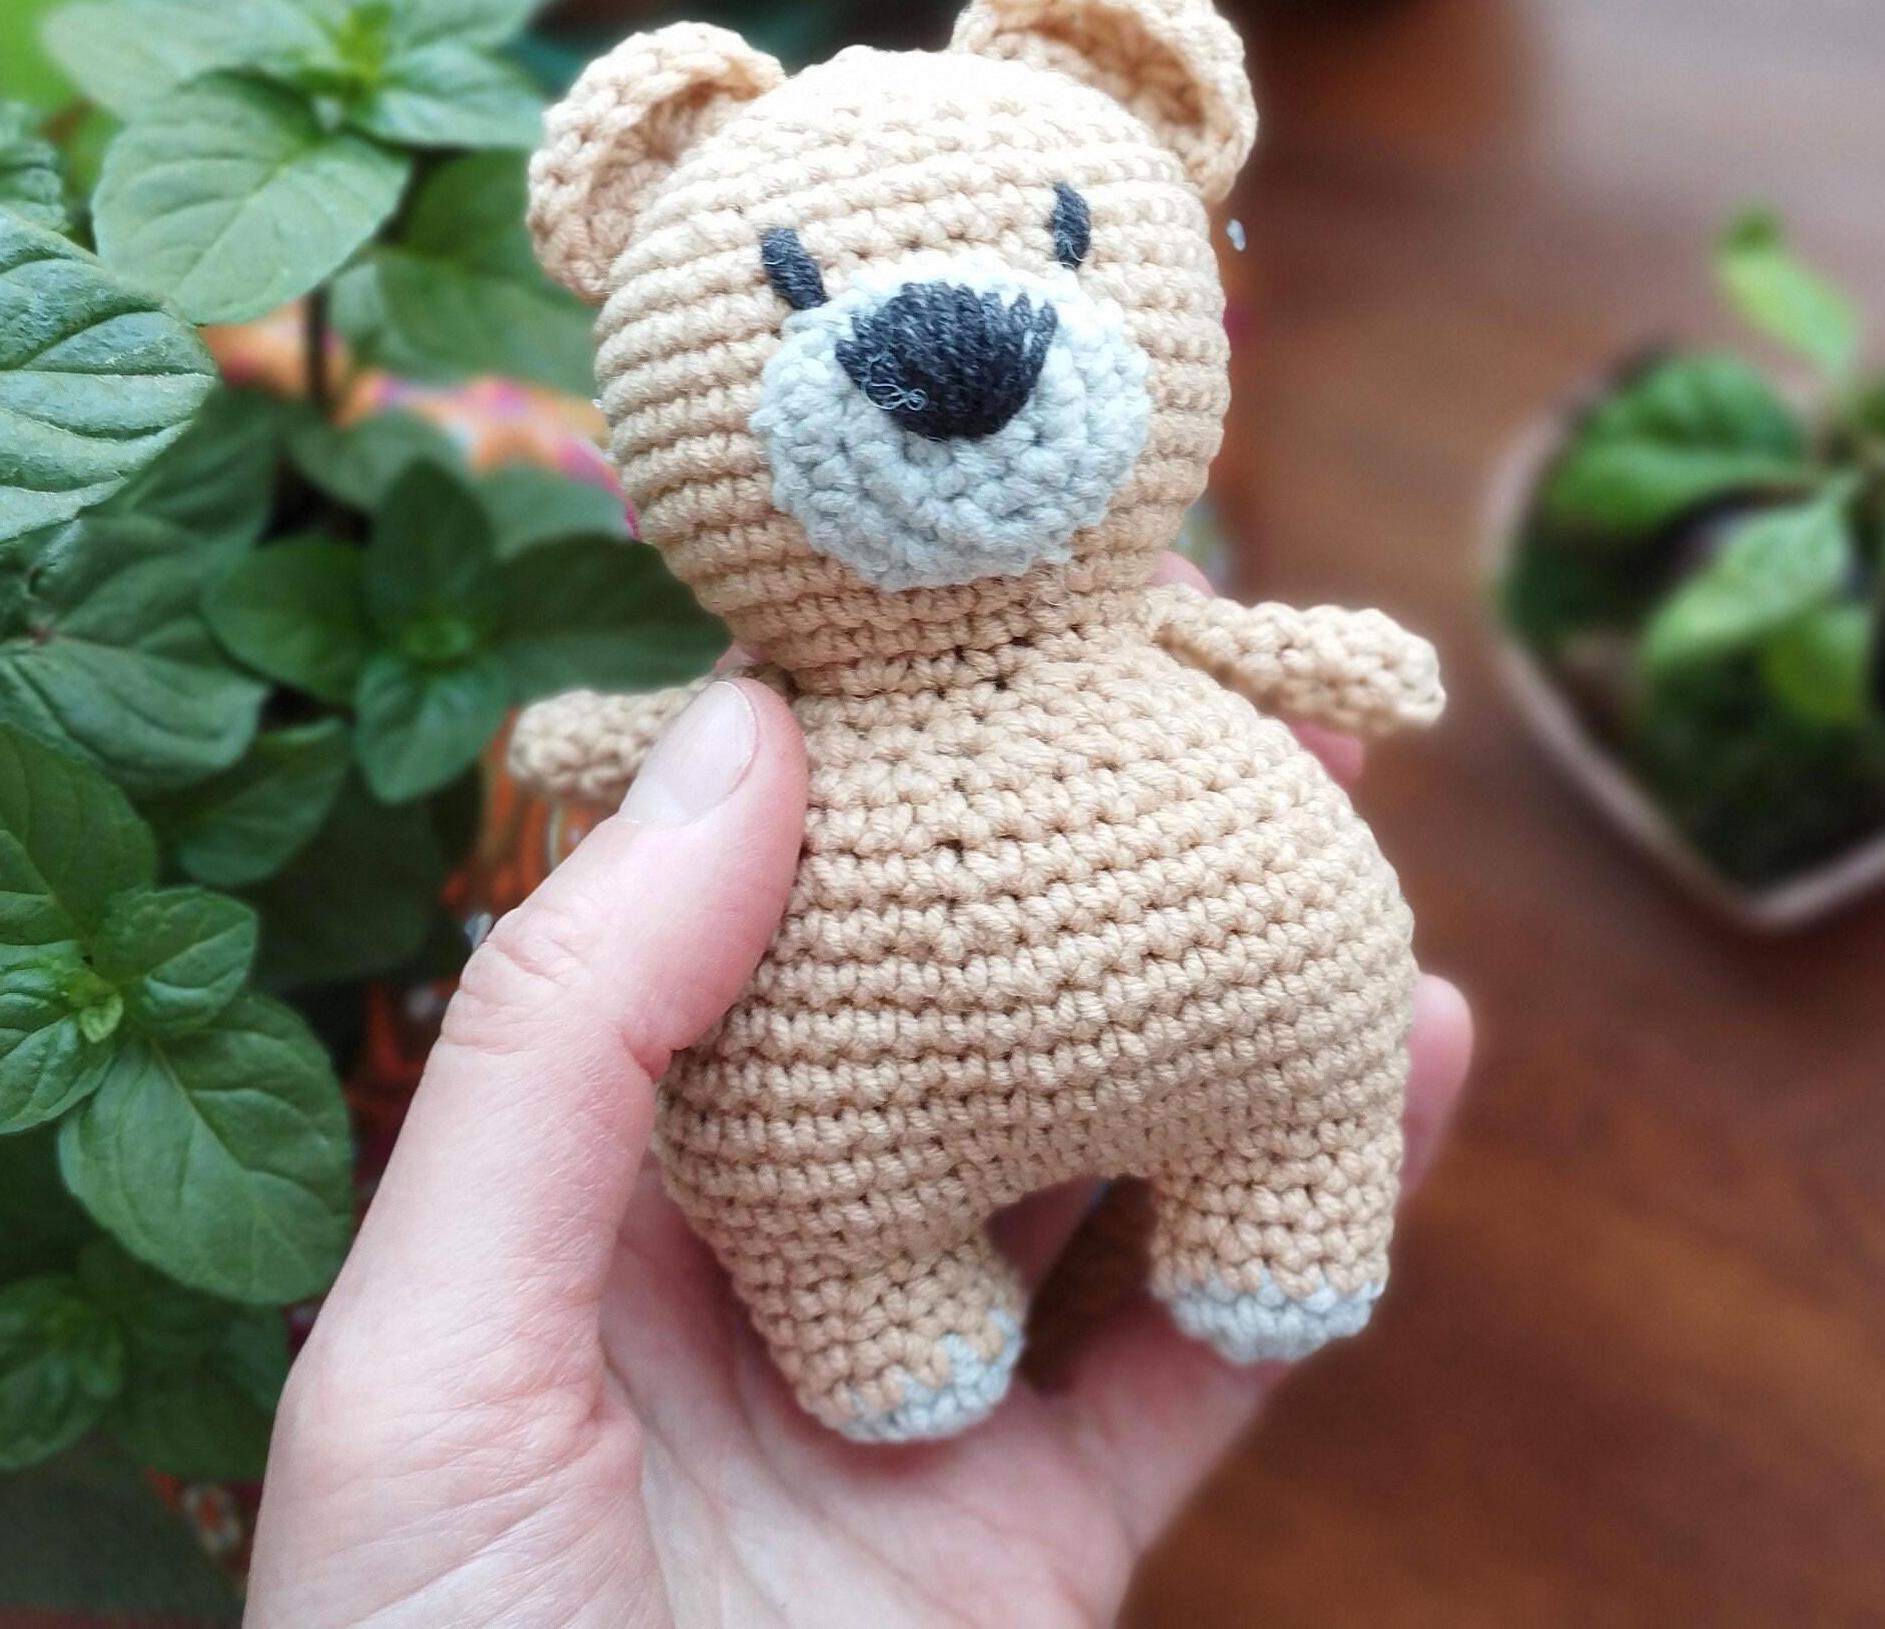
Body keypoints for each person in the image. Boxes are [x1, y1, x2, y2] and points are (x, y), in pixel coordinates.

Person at [247, 562, 1471, 1627]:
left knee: (1310, 1059)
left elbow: (1308, 659)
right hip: (889, 1108)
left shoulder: (1096, 634)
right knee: (817, 1190)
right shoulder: (762, 718)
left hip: (1229, 1012)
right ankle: (887, 1302)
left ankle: (1274, 1191)